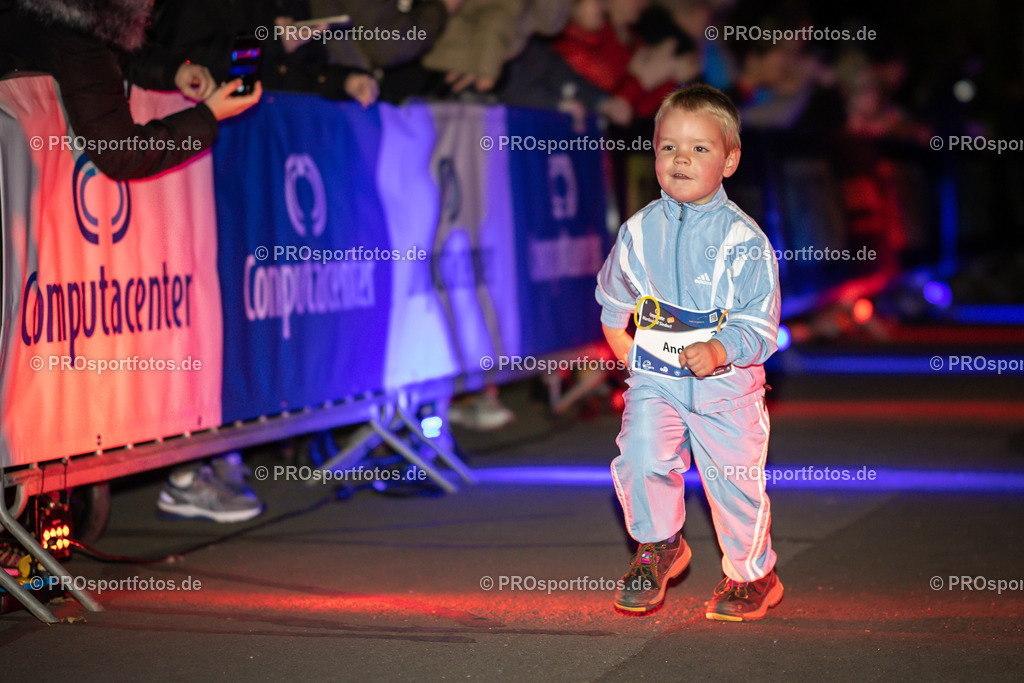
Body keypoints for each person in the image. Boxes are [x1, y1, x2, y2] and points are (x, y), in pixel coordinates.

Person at [595, 84, 782, 621]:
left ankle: (753, 575)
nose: (681, 159)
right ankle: (659, 545)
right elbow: (613, 298)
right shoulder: (637, 232)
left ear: (730, 161)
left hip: (728, 391)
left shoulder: (745, 241)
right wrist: (625, 350)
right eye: (668, 146)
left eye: (700, 149)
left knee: (736, 489)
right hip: (657, 382)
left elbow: (761, 325)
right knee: (641, 455)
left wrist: (722, 348)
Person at [0, 0, 262, 180]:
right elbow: (119, 152)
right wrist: (209, 115)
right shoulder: (77, 27)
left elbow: (112, 53)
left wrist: (174, 70)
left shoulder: (90, 16)